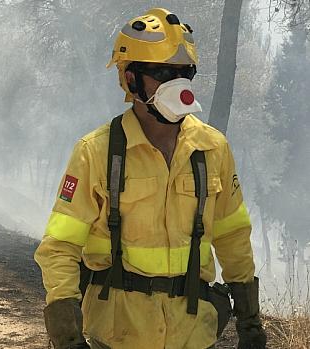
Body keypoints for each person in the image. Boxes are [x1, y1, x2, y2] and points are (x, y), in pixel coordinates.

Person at [34, 8, 266, 349]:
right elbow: (60, 247)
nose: (178, 85)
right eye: (162, 73)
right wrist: (67, 334)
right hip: (117, 336)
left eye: (185, 73)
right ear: (130, 79)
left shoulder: (213, 149)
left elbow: (233, 235)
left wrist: (249, 320)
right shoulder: (96, 152)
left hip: (194, 336)